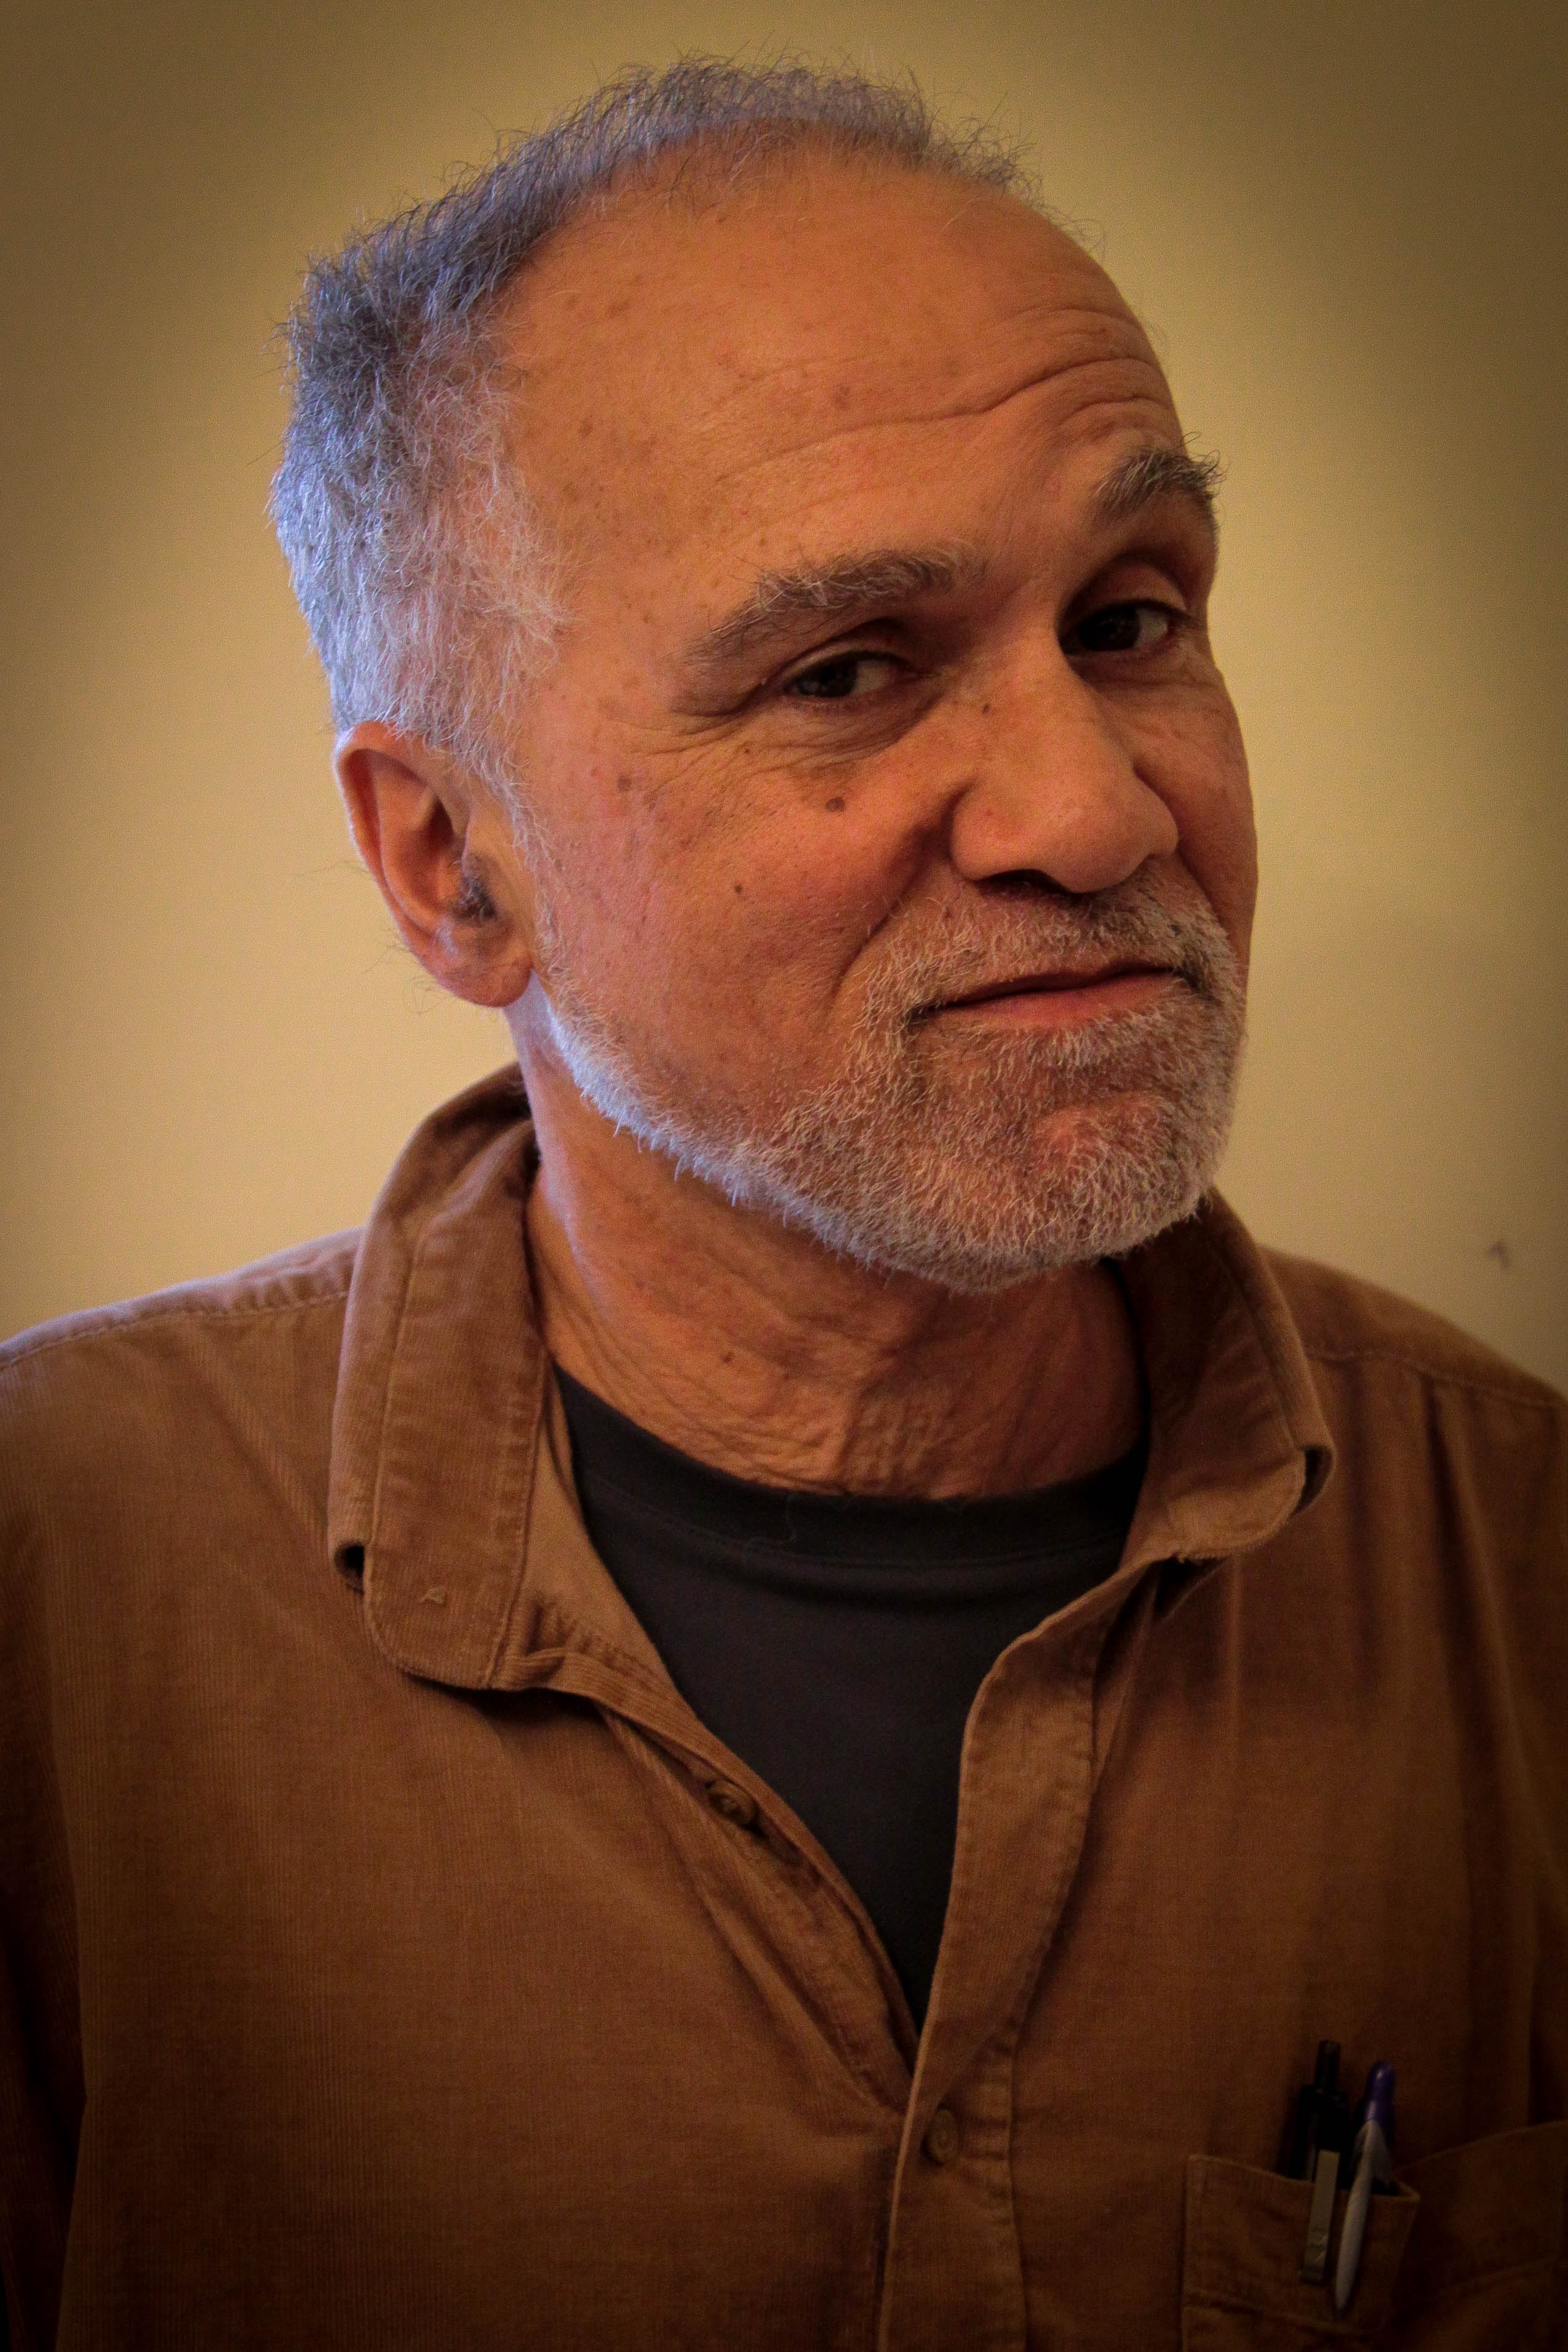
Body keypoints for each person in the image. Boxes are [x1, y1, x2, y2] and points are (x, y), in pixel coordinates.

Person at [1, 58, 1563, 2352]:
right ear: (451, 866)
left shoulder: (1524, 1575)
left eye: (1131, 619)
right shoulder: (55, 1602)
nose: (1096, 814)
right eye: (846, 672)